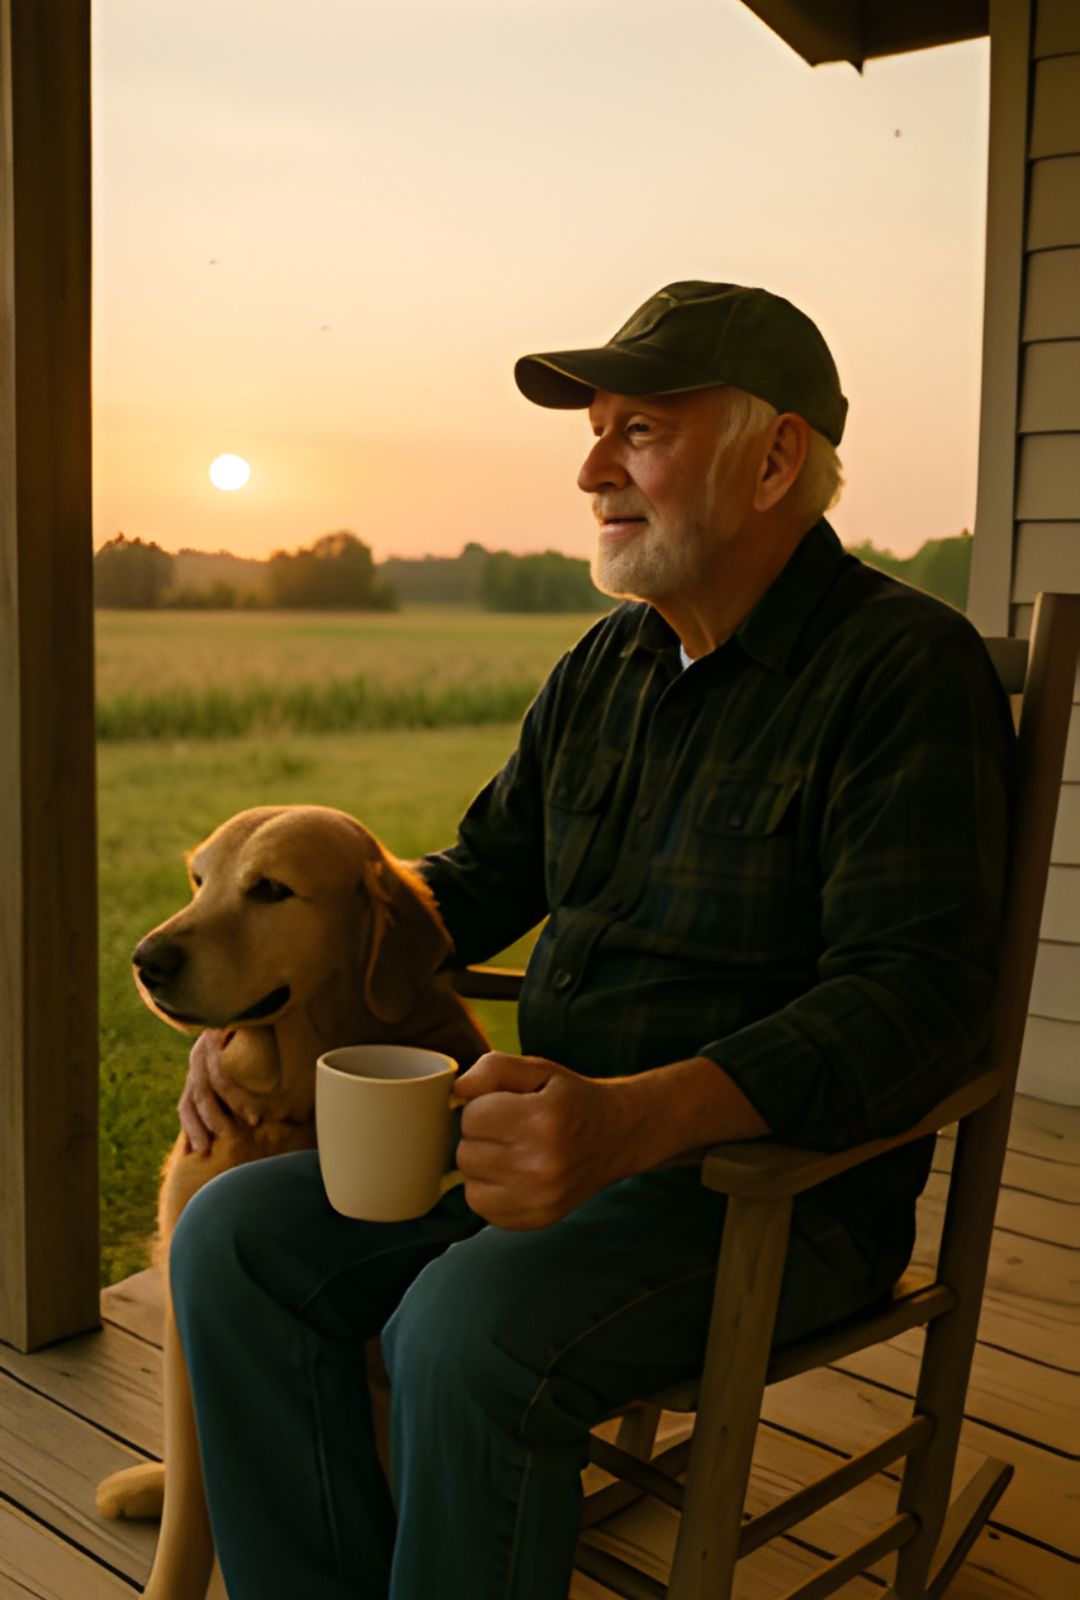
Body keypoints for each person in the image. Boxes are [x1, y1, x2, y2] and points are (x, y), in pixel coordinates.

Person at [172, 280, 1015, 1600]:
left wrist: (635, 1122)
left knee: (458, 1327)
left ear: (776, 457)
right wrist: (261, 1001)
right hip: (546, 1156)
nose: (589, 468)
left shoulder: (904, 671)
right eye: (594, 430)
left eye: (638, 430)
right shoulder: (607, 668)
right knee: (232, 1238)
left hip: (770, 1193)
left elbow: (917, 997)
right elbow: (471, 880)